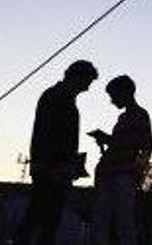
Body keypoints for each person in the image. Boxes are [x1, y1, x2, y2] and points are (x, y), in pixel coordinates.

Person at [14, 59, 98, 245]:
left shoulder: (60, 97)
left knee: (43, 218)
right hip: (51, 169)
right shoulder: (56, 97)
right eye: (87, 82)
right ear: (77, 77)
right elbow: (48, 135)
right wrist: (54, 166)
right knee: (43, 218)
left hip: (55, 168)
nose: (88, 87)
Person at [89, 75, 152, 245]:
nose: (112, 101)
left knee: (124, 220)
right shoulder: (123, 118)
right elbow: (127, 143)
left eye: (113, 96)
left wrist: (138, 171)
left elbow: (146, 146)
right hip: (110, 172)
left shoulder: (140, 115)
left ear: (125, 93)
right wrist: (107, 140)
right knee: (104, 218)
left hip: (123, 173)